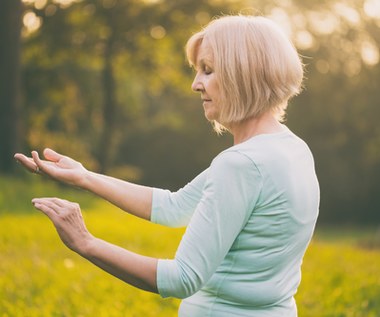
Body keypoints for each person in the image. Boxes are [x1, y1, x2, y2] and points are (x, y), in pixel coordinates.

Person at [14, 15, 319, 317]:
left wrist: (85, 242)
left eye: (208, 70)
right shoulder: (293, 149)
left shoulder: (241, 164)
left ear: (244, 74)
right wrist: (85, 177)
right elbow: (175, 206)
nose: (195, 84)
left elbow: (182, 278)